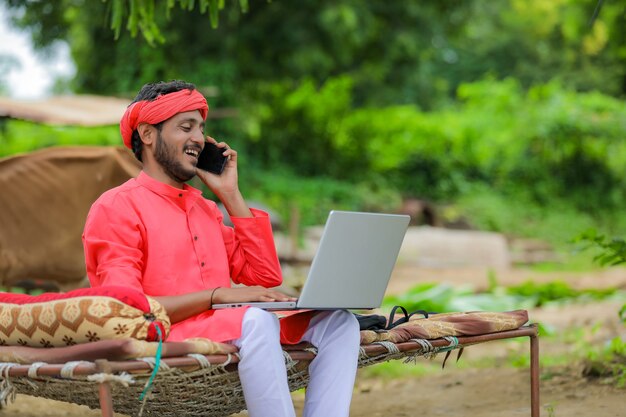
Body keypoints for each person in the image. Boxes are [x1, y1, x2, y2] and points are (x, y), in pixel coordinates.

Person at [82, 80, 360, 417]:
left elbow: (265, 275)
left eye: (201, 129)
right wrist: (215, 295)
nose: (199, 139)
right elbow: (127, 311)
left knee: (340, 322)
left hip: (231, 325)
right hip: (168, 334)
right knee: (256, 321)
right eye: (186, 127)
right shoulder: (116, 207)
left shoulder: (207, 210)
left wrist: (230, 195)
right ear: (147, 134)